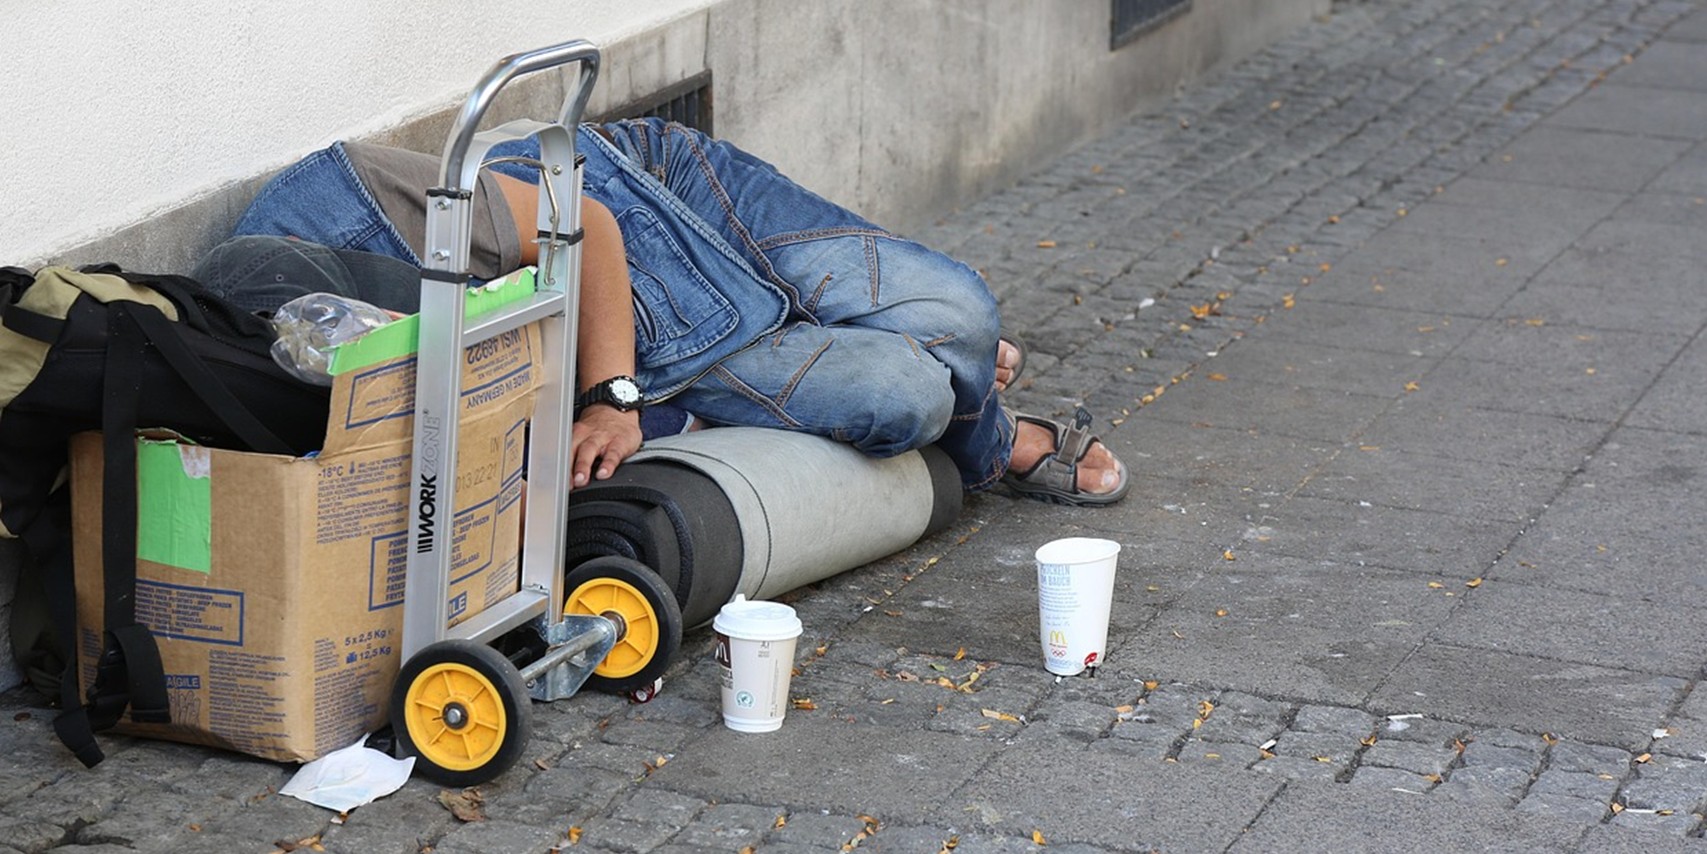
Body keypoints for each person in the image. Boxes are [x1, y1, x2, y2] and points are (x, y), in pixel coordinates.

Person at [211, 118, 1128, 506]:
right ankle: (970, 404)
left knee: (958, 306)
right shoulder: (302, 351)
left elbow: (590, 228)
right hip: (664, 338)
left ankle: (981, 420)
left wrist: (611, 398)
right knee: (905, 394)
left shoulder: (344, 200)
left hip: (639, 191)